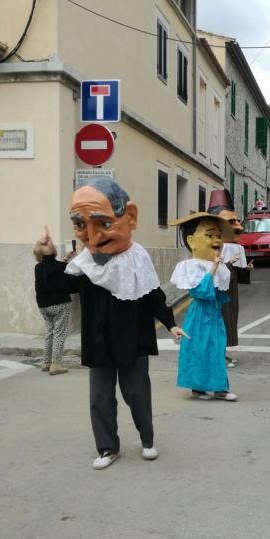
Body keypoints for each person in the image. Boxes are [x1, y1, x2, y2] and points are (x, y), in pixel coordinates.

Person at [64, 178, 185, 470]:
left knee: (136, 393)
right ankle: (108, 448)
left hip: (133, 337)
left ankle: (147, 440)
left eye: (102, 223)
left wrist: (170, 324)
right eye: (80, 225)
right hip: (99, 339)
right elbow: (58, 287)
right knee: (100, 397)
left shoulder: (137, 257)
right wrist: (44, 259)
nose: (91, 237)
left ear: (129, 217)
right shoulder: (84, 261)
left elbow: (153, 293)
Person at [170, 212, 238, 402]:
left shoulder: (220, 265)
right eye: (210, 235)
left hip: (215, 314)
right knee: (198, 350)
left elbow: (222, 292)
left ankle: (219, 388)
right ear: (192, 241)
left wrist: (220, 268)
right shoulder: (189, 266)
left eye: (218, 236)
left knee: (217, 349)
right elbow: (200, 292)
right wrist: (214, 270)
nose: (216, 240)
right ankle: (198, 388)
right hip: (199, 314)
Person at [207, 189, 251, 369]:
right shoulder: (210, 246)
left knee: (229, 319)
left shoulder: (236, 248)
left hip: (230, 291)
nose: (239, 227)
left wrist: (244, 270)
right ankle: (217, 355)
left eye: (238, 221)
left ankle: (222, 352)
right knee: (219, 321)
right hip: (216, 292)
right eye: (231, 222)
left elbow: (238, 276)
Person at [33, 227, 72, 375]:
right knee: (59, 333)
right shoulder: (57, 267)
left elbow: (54, 268)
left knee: (50, 332)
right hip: (59, 304)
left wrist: (66, 259)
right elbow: (57, 268)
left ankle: (46, 362)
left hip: (43, 306)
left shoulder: (38, 268)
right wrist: (49, 245)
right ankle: (56, 364)